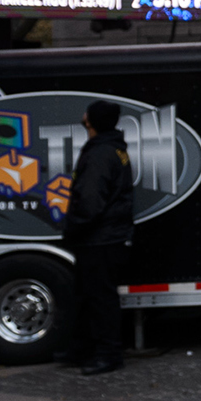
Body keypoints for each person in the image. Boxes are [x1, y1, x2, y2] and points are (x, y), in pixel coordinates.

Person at [59, 98, 134, 376]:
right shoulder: (111, 149)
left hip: (100, 239)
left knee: (101, 300)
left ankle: (108, 355)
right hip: (105, 238)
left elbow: (90, 201)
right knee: (90, 297)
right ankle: (83, 349)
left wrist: (72, 227)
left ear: (90, 120)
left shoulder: (101, 153)